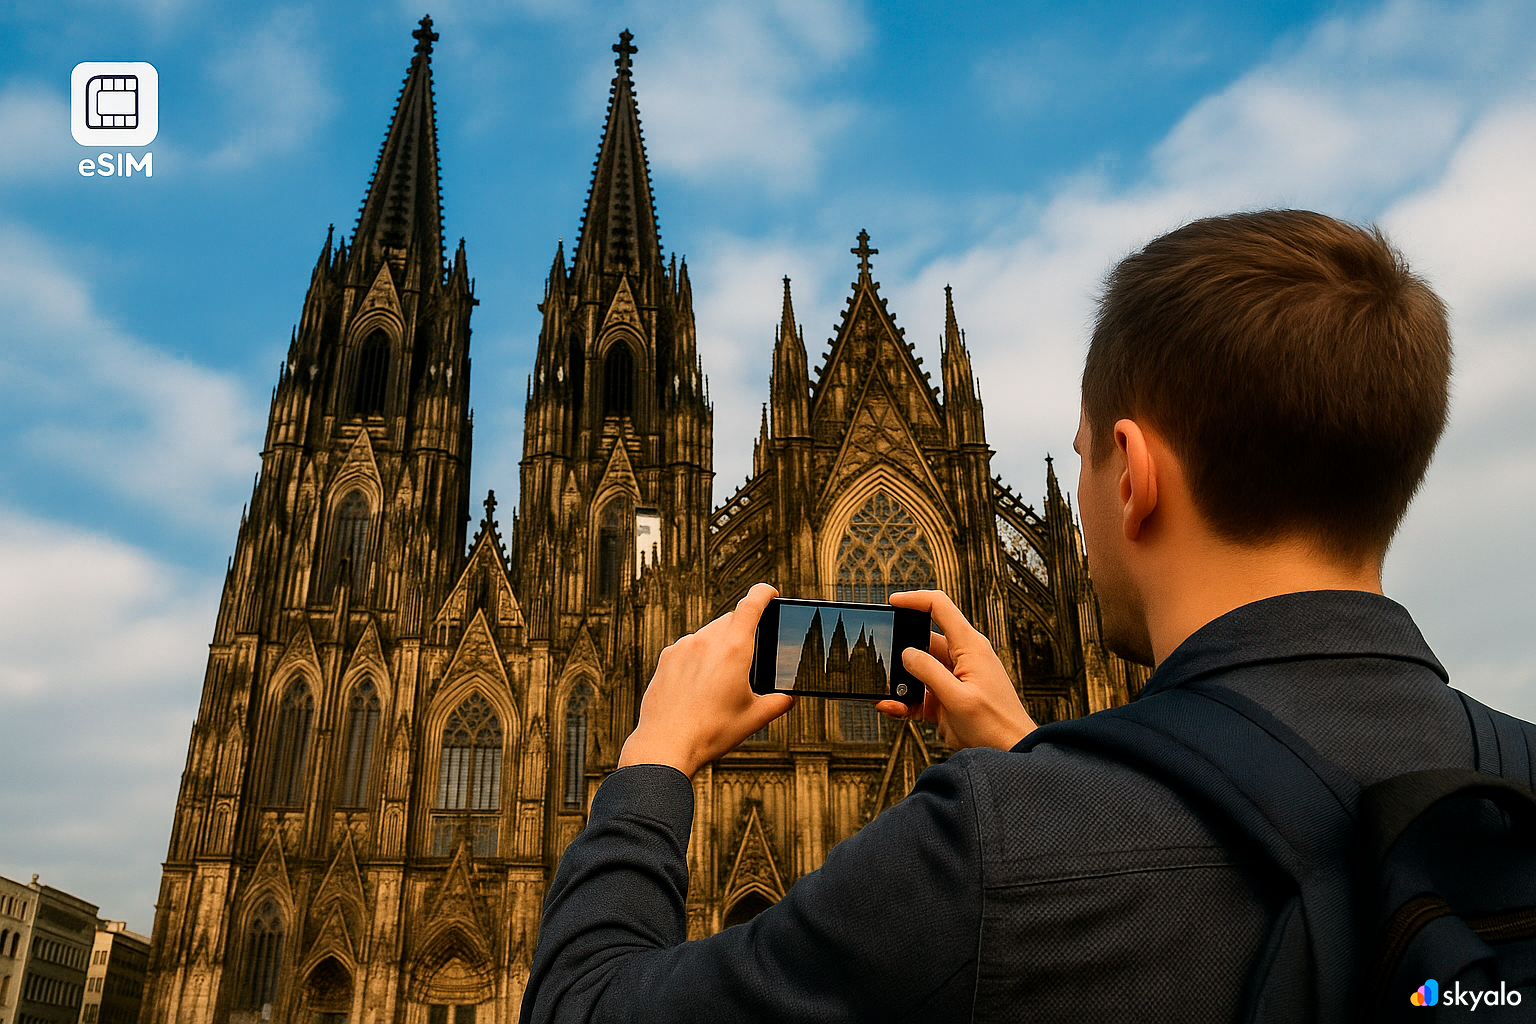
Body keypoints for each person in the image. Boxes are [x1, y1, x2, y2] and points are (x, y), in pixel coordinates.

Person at [519, 211, 1496, 1022]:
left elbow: (585, 1004)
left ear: (1135, 475)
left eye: (1081, 456)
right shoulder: (1508, 788)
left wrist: (653, 758)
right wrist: (1038, 751)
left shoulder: (989, 852)